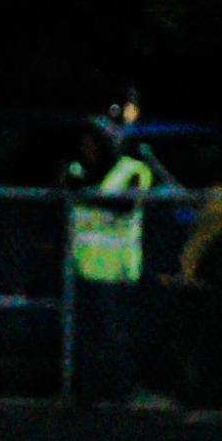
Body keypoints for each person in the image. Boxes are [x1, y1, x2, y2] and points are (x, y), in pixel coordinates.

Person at [64, 114, 154, 402]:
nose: (88, 148)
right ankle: (87, 394)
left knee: (115, 336)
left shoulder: (134, 170)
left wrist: (84, 194)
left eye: (95, 143)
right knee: (86, 336)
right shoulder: (76, 169)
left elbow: (126, 205)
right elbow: (65, 188)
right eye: (85, 143)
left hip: (116, 272)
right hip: (81, 268)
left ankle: (119, 392)